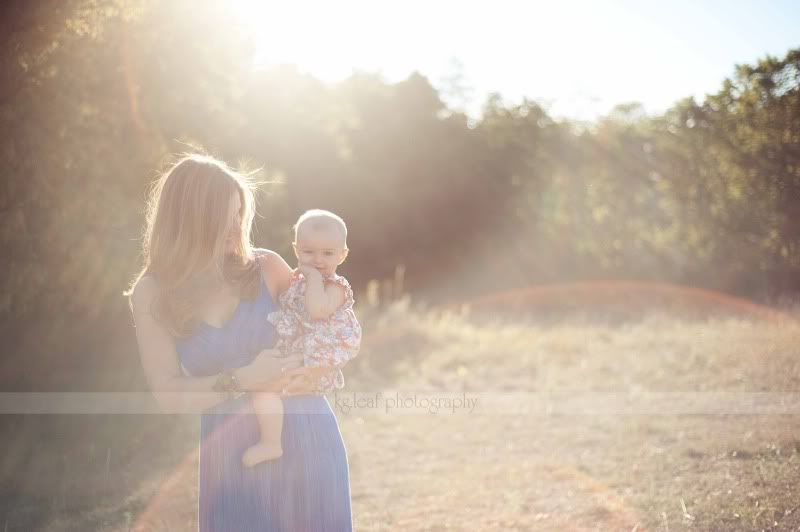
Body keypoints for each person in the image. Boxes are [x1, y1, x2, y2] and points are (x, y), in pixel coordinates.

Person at [126, 154, 353, 531]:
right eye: (225, 218)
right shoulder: (151, 293)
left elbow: (328, 327)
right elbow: (168, 395)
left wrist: (319, 365)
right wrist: (245, 378)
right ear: (191, 219)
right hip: (233, 457)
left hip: (306, 435)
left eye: (239, 215)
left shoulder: (266, 267)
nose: (236, 228)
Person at [243, 209, 362, 467]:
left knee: (266, 389)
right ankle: (271, 441)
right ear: (296, 250)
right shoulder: (297, 281)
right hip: (295, 354)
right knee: (263, 392)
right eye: (309, 252)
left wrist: (313, 278)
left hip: (316, 360)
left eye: (328, 253)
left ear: (342, 255)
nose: (318, 260)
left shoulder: (335, 286)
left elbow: (316, 310)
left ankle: (271, 443)